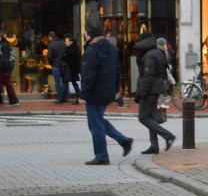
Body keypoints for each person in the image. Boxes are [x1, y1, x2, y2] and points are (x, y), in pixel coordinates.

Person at [80, 21, 132, 165]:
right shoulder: (110, 48)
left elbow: (88, 74)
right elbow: (117, 69)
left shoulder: (92, 50)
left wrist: (83, 94)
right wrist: (116, 89)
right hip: (107, 91)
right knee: (98, 121)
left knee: (95, 125)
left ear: (88, 34)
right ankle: (124, 140)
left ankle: (102, 156)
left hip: (95, 92)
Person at [132, 32, 175, 154]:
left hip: (150, 90)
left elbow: (147, 77)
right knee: (151, 117)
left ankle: (168, 136)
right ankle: (154, 145)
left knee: (143, 117)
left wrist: (140, 94)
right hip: (155, 89)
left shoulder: (150, 55)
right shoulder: (156, 52)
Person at [0, 30, 19, 106]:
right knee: (6, 83)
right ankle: (13, 99)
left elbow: (5, 58)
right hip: (5, 68)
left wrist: (5, 70)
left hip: (3, 68)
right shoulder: (3, 44)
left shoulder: (2, 45)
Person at [46, 30, 66, 103]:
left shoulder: (51, 45)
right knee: (64, 81)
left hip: (56, 65)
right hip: (63, 64)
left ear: (50, 37)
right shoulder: (63, 43)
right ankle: (65, 97)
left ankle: (59, 98)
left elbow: (49, 56)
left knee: (57, 82)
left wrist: (51, 63)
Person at [62, 34, 81, 104]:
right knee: (74, 83)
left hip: (70, 68)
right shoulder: (75, 49)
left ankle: (62, 98)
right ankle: (79, 97)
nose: (65, 42)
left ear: (71, 42)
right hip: (73, 69)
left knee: (65, 82)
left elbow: (66, 57)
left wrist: (65, 56)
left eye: (67, 41)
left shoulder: (70, 50)